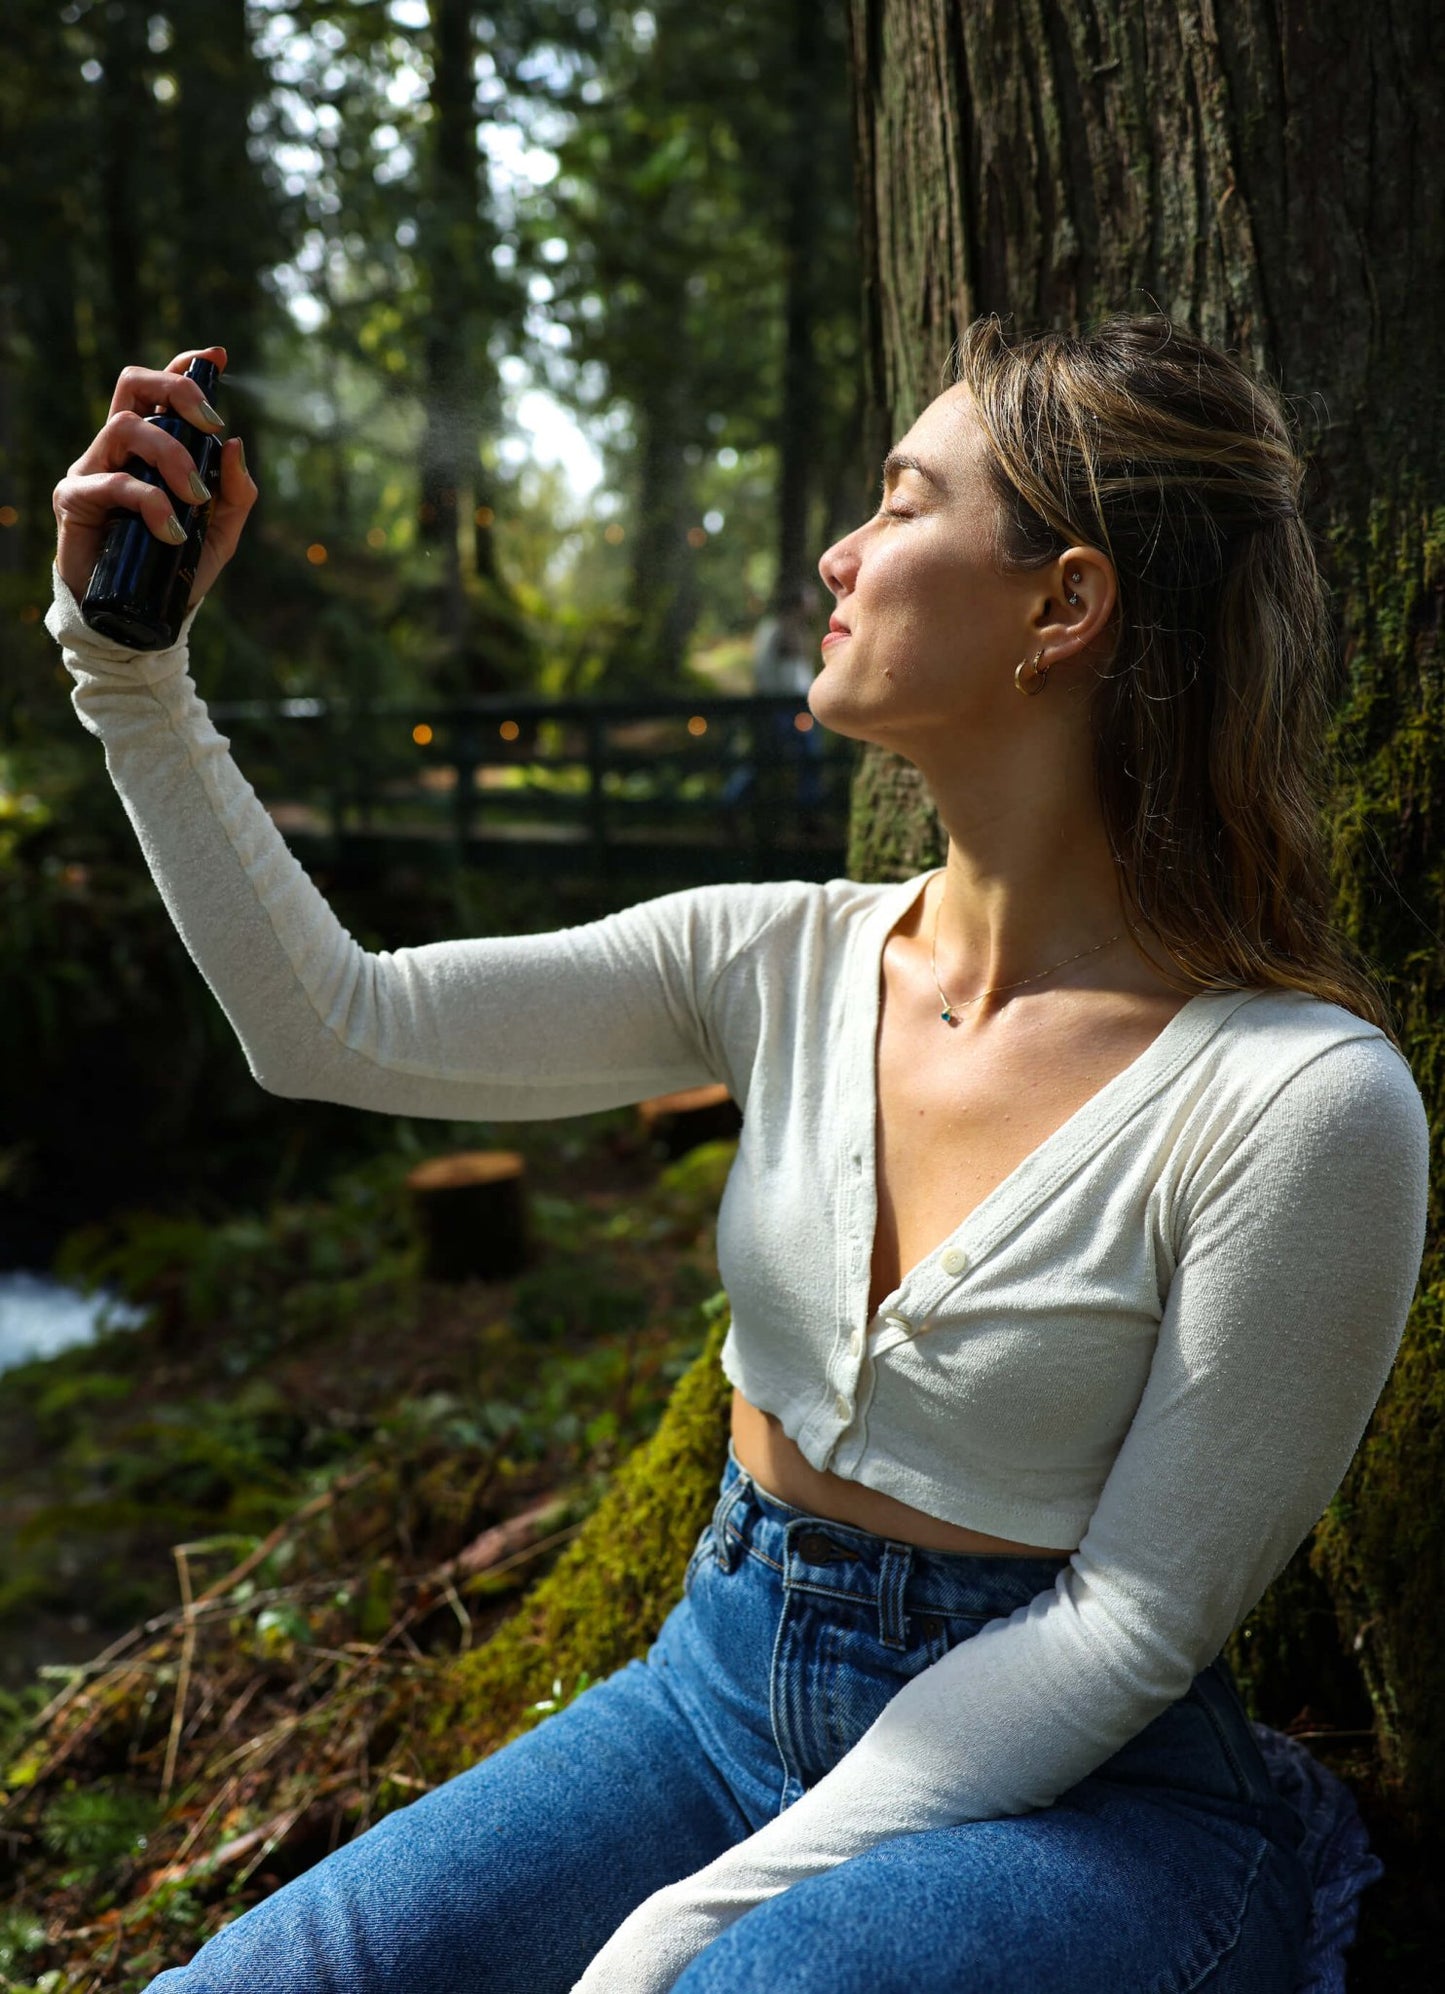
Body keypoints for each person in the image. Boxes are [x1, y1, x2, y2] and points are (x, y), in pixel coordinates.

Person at [48, 316, 1428, 1994]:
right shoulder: (768, 956)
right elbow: (335, 1022)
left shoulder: (1302, 1102)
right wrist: (129, 670)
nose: (840, 554)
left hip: (1086, 1796)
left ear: (1063, 606)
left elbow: (1133, 1624)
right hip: (704, 1695)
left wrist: (680, 1928)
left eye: (905, 505)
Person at [719, 585, 826, 817]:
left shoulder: (787, 629)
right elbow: (775, 665)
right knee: (769, 757)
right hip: (781, 706)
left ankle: (806, 813)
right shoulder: (778, 629)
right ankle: (731, 806)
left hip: (792, 706)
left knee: (799, 757)